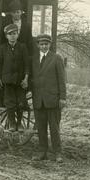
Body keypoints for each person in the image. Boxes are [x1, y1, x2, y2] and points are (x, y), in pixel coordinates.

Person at [31, 34, 66, 162]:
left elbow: (62, 80)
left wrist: (62, 98)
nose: (44, 46)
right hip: (38, 100)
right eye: (41, 44)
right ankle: (42, 152)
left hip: (53, 100)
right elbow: (32, 78)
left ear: (50, 45)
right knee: (41, 127)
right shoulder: (34, 59)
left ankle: (58, 153)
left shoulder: (57, 58)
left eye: (46, 44)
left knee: (54, 128)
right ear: (38, 45)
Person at [0, 24, 29, 133]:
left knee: (20, 102)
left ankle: (19, 123)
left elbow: (26, 64)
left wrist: (26, 78)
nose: (12, 36)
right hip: (7, 79)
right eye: (10, 34)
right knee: (10, 102)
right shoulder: (3, 48)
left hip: (20, 80)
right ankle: (12, 122)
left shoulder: (22, 47)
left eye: (14, 34)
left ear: (18, 34)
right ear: (6, 36)